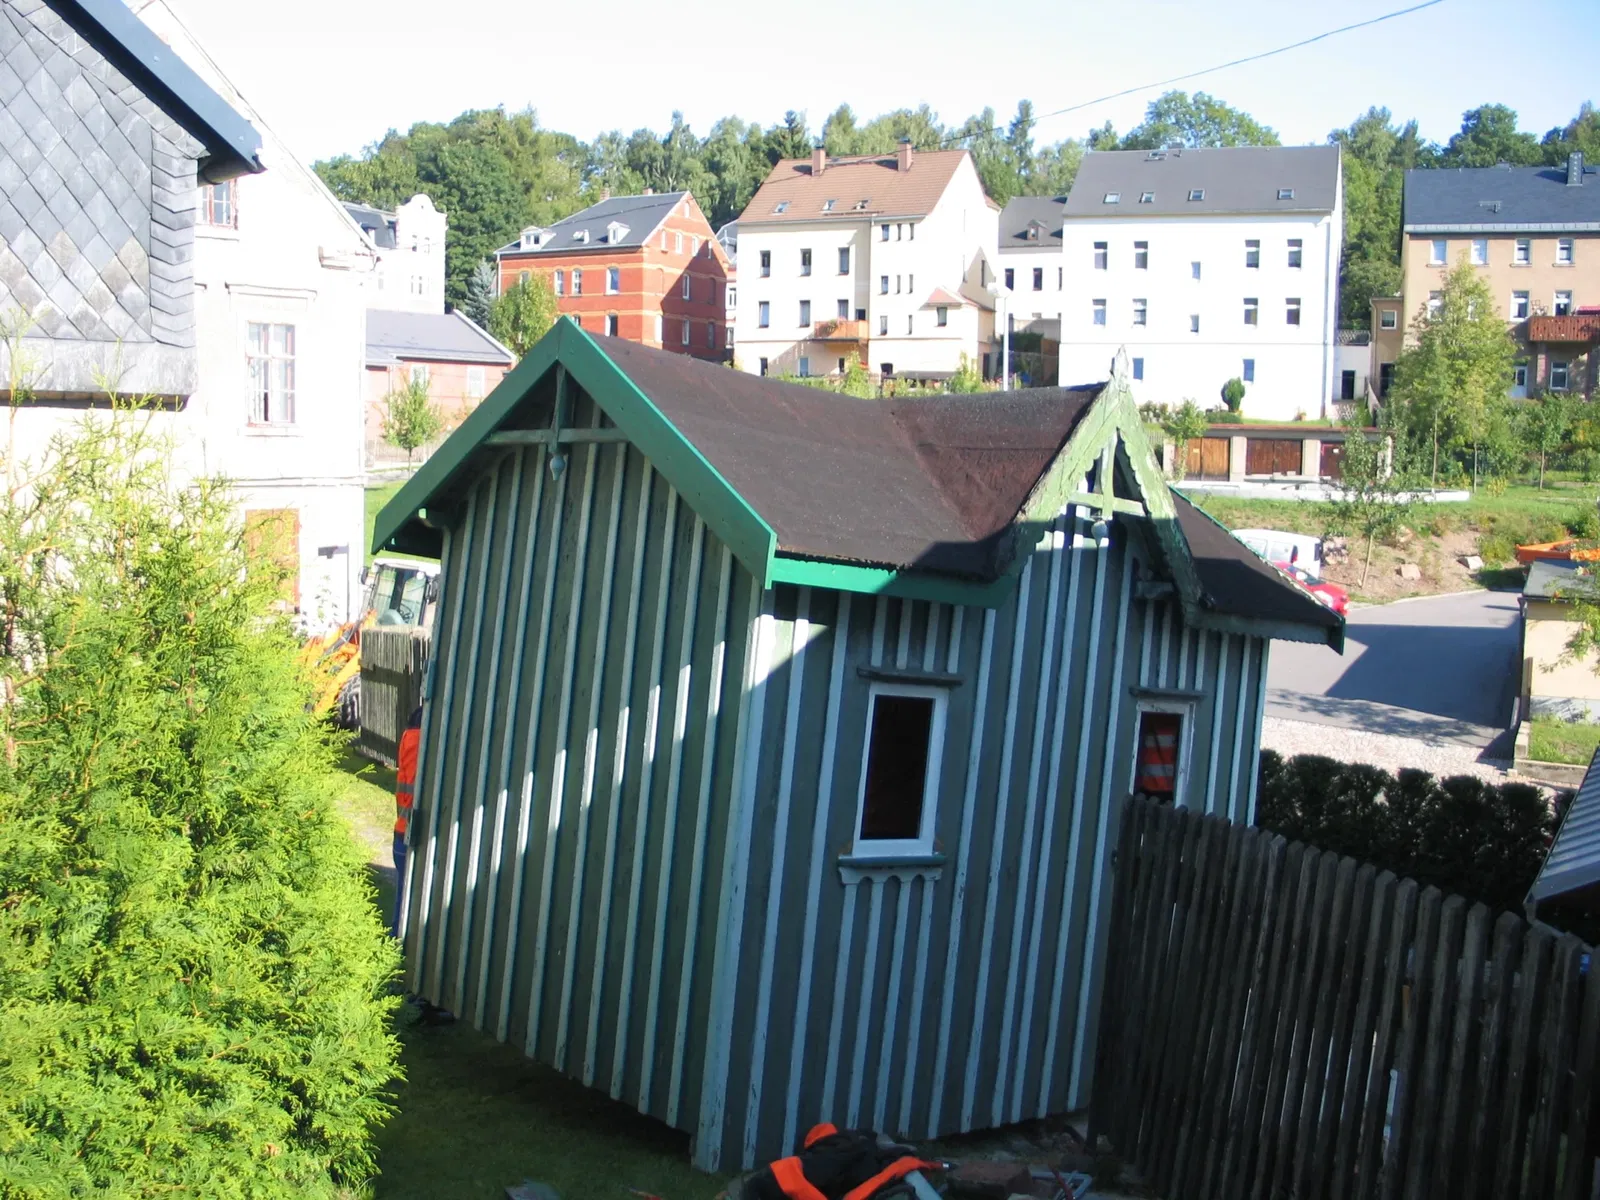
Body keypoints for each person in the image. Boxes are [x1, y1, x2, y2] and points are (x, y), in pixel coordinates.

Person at [392, 705, 422, 940]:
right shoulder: (423, 743)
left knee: (403, 901)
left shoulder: (408, 740)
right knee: (407, 908)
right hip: (414, 836)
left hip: (401, 833)